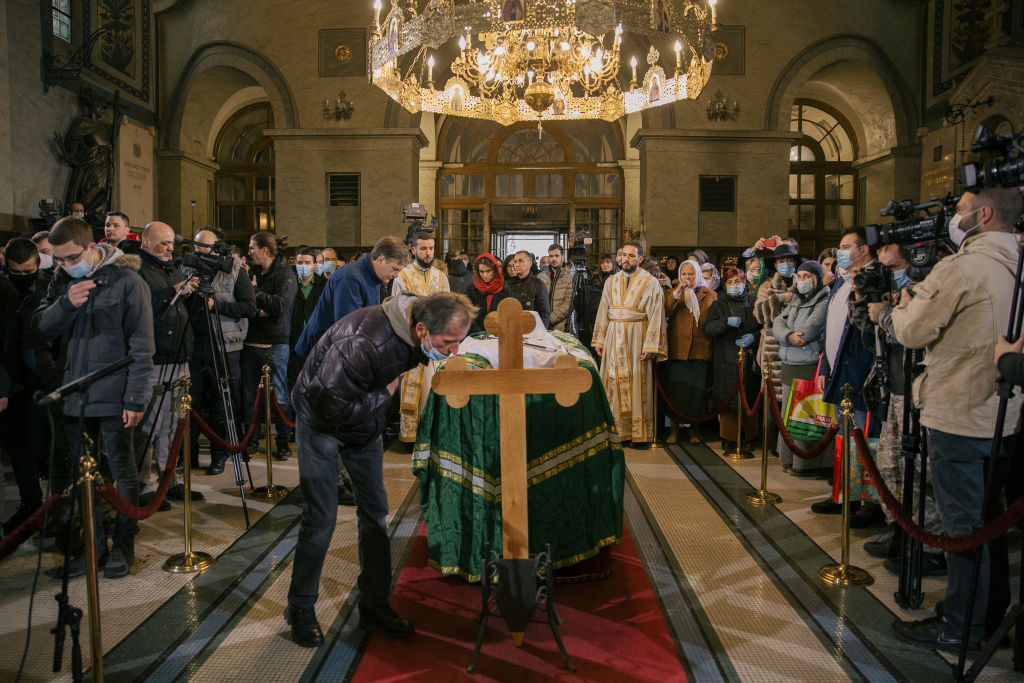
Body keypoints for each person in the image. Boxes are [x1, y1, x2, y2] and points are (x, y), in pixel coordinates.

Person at [871, 186, 1024, 652]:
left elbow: (914, 330)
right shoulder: (1017, 262)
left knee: (963, 529)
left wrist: (894, 312)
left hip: (961, 411)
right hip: (1007, 413)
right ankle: (988, 614)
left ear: (983, 214)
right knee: (990, 523)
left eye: (958, 210)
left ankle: (961, 628)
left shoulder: (964, 267)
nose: (952, 219)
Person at [285, 291, 478, 646]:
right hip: (321, 421)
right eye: (448, 342)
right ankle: (299, 607)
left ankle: (373, 604)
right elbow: (327, 405)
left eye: (459, 342)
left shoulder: (414, 329)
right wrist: (382, 396)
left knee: (375, 511)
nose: (453, 350)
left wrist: (375, 401)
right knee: (322, 516)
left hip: (361, 420)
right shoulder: (364, 341)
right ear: (421, 330)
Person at [35, 217, 155, 578]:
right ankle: (92, 546)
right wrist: (66, 304)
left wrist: (134, 399)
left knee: (122, 471)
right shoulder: (63, 282)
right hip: (75, 394)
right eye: (59, 260)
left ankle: (123, 544)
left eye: (71, 258)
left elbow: (142, 345)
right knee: (82, 476)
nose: (65, 266)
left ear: (91, 248)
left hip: (114, 395)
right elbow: (41, 326)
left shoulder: (128, 281)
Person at [136, 221, 202, 504]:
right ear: (145, 241)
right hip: (156, 360)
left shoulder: (170, 268)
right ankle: (145, 486)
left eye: (171, 244)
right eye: (162, 243)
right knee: (152, 424)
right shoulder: (136, 270)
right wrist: (173, 291)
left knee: (173, 425)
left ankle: (169, 477)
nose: (168, 249)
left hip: (179, 357)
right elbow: (141, 310)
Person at [812, 226, 877, 516]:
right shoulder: (842, 282)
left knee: (864, 437)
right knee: (844, 437)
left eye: (846, 246)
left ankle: (866, 501)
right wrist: (826, 364)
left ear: (864, 250)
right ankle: (843, 494)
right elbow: (832, 326)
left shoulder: (873, 280)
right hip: (840, 369)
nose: (840, 252)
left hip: (861, 373)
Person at [186, 227, 256, 476]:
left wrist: (218, 305)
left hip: (225, 345)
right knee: (189, 403)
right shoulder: (189, 268)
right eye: (197, 245)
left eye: (205, 246)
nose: (200, 250)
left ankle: (219, 454)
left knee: (221, 402)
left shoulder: (236, 271)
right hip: (194, 344)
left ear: (218, 247)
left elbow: (249, 307)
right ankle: (188, 455)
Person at [0, 239, 57, 533]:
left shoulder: (48, 286)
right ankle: (31, 505)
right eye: (16, 272)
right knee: (19, 448)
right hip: (13, 383)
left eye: (28, 272)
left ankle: (55, 510)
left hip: (41, 380)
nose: (23, 278)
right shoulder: (5, 290)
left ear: (38, 264)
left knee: (47, 448)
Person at [592, 241, 668, 443]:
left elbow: (656, 315)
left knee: (637, 383)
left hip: (637, 337)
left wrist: (651, 345)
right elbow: (603, 311)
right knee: (612, 381)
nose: (626, 259)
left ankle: (637, 433)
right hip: (613, 337)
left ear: (640, 259)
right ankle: (615, 430)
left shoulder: (650, 282)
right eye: (623, 255)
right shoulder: (611, 281)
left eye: (631, 256)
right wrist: (599, 339)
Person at [295, 236, 408, 358]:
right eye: (395, 269)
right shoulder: (351, 277)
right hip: (320, 353)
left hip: (337, 351)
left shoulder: (373, 277)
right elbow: (347, 329)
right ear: (381, 260)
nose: (396, 276)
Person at [243, 232, 298, 461]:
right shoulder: (251, 272)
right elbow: (245, 307)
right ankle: (250, 442)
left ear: (265, 250)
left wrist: (255, 292)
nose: (249, 252)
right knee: (249, 398)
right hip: (250, 342)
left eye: (252, 247)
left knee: (280, 397)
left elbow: (279, 306)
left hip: (276, 343)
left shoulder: (285, 273)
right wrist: (258, 309)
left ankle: (283, 443)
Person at [772, 260, 830, 475]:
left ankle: (807, 464)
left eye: (808, 276)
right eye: (801, 276)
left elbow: (807, 332)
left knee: (806, 419)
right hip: (789, 364)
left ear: (817, 278)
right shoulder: (795, 300)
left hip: (808, 365)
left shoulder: (823, 301)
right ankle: (790, 460)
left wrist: (789, 333)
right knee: (789, 417)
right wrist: (788, 335)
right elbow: (777, 323)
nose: (803, 280)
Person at [391, 232, 450, 443]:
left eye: (431, 248)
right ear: (414, 250)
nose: (428, 253)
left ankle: (431, 437)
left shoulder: (440, 277)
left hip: (436, 346)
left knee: (433, 391)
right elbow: (397, 310)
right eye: (423, 248)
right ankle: (411, 437)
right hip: (412, 344)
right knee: (413, 392)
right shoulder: (403, 276)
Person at [704, 267, 761, 450]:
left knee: (750, 398)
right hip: (726, 360)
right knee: (728, 401)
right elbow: (708, 328)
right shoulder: (719, 305)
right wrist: (725, 323)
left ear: (744, 283)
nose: (734, 285)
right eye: (730, 282)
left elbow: (765, 327)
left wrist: (755, 337)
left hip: (750, 359)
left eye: (738, 281)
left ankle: (749, 436)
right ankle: (729, 437)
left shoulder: (754, 303)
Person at [662, 259, 717, 444]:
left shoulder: (709, 294)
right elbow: (666, 311)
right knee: (676, 392)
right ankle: (674, 429)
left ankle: (695, 430)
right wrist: (678, 291)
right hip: (678, 349)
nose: (687, 277)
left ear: (697, 275)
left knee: (697, 394)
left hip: (699, 349)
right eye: (684, 274)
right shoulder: (672, 292)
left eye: (691, 274)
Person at [754, 242, 800, 406]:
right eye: (781, 261)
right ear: (775, 264)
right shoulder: (767, 286)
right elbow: (759, 315)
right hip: (773, 350)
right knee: (773, 402)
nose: (785, 264)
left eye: (789, 260)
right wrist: (779, 299)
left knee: (796, 401)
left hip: (798, 348)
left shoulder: (802, 284)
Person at [289, 246, 327, 391]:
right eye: (300, 263)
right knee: (294, 386)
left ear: (314, 265)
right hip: (294, 343)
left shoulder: (324, 285)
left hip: (317, 343)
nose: (303, 266)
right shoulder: (289, 283)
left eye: (307, 263)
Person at [466, 253, 511, 333]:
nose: (485, 275)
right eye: (481, 271)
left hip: (499, 333)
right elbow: (467, 314)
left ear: (495, 270)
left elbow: (509, 314)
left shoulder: (504, 288)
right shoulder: (472, 288)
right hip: (476, 334)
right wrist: (478, 332)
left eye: (488, 271)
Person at [537, 243, 575, 334]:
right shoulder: (541, 276)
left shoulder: (571, 276)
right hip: (543, 325)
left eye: (557, 256)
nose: (554, 259)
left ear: (563, 257)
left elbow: (568, 304)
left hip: (563, 326)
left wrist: (549, 319)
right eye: (551, 256)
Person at [506, 250, 550, 327]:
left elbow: (544, 314)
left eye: (521, 261)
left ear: (530, 263)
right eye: (515, 261)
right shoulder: (508, 284)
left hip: (531, 330)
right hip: (511, 329)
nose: (517, 264)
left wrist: (541, 334)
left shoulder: (538, 285)